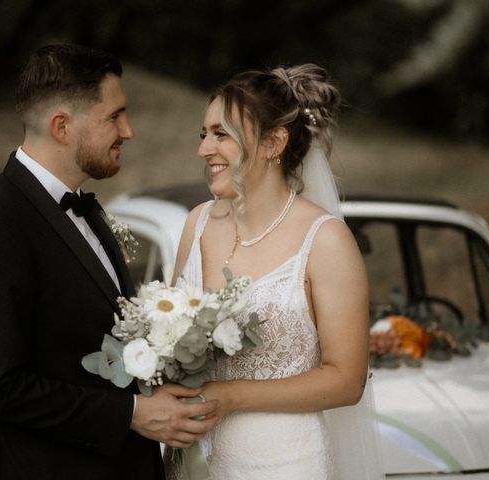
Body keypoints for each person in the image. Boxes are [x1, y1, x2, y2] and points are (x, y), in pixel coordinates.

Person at [0, 44, 218, 480]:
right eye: (114, 116)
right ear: (61, 126)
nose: (128, 131)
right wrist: (130, 413)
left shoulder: (85, 210)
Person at [167, 64, 383, 479]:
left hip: (282, 461)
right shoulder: (197, 223)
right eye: (203, 134)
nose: (204, 149)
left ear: (273, 142)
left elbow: (347, 380)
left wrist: (230, 396)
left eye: (221, 134)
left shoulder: (325, 241)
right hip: (193, 459)